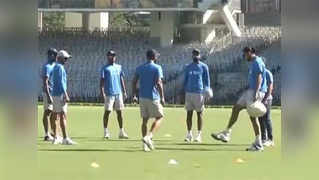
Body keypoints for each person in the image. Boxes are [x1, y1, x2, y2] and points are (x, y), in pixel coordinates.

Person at [211, 47, 267, 151]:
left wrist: (256, 92)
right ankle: (226, 133)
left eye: (245, 54)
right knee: (236, 108)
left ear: (250, 52)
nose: (244, 56)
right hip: (251, 91)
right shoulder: (254, 62)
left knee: (253, 117)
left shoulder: (257, 62)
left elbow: (260, 77)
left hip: (255, 91)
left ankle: (258, 143)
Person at [132, 49, 165, 152]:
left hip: (142, 97)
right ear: (154, 57)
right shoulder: (157, 67)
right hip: (153, 97)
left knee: (144, 120)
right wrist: (162, 96)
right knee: (160, 117)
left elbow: (134, 82)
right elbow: (159, 83)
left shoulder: (140, 68)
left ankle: (145, 146)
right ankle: (149, 136)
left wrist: (134, 95)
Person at [183, 49, 211, 143]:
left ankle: (199, 135)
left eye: (197, 54)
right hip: (189, 93)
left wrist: (207, 93)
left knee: (199, 114)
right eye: (194, 54)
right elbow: (185, 80)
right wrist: (184, 90)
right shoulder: (188, 67)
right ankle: (189, 134)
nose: (195, 56)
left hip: (199, 93)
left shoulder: (204, 67)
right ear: (192, 56)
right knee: (189, 114)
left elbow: (207, 81)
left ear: (200, 55)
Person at [100, 50, 128, 139]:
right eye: (111, 55)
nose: (113, 57)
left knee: (119, 112)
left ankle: (121, 131)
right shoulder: (105, 68)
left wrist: (124, 91)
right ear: (107, 57)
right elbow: (102, 82)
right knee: (107, 112)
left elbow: (121, 79)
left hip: (118, 93)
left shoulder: (119, 67)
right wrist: (102, 93)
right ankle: (105, 131)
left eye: (114, 56)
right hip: (109, 93)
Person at [51, 50, 76, 145]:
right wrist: (66, 94)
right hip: (60, 94)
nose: (66, 60)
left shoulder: (55, 67)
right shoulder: (60, 67)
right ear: (60, 58)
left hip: (55, 93)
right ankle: (65, 138)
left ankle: (56, 137)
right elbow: (61, 82)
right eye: (65, 58)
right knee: (63, 116)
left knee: (55, 116)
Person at [41, 48, 57, 141]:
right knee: (47, 112)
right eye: (55, 55)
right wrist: (48, 95)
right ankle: (47, 135)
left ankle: (52, 132)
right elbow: (45, 82)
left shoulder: (54, 65)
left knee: (53, 113)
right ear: (51, 55)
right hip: (48, 92)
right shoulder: (47, 67)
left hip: (54, 92)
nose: (56, 57)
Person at [259, 67, 274, 147]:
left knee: (267, 118)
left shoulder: (267, 73)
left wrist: (265, 99)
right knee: (260, 119)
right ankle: (263, 138)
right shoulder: (258, 73)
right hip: (260, 99)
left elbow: (270, 87)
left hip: (267, 99)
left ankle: (271, 139)